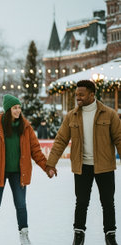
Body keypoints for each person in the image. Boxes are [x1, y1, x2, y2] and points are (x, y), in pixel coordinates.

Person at [45, 80, 121, 245]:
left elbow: (119, 139)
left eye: (81, 94)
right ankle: (78, 235)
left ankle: (110, 236)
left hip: (105, 166)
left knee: (108, 202)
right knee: (81, 202)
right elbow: (60, 140)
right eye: (76, 94)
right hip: (82, 166)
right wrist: (51, 163)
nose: (78, 97)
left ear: (92, 94)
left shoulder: (109, 114)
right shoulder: (72, 116)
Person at [0, 94, 50, 245]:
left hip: (19, 172)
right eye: (14, 108)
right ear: (7, 109)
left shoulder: (26, 127)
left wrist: (46, 167)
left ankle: (24, 234)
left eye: (19, 108)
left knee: (21, 204)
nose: (18, 110)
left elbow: (35, 150)